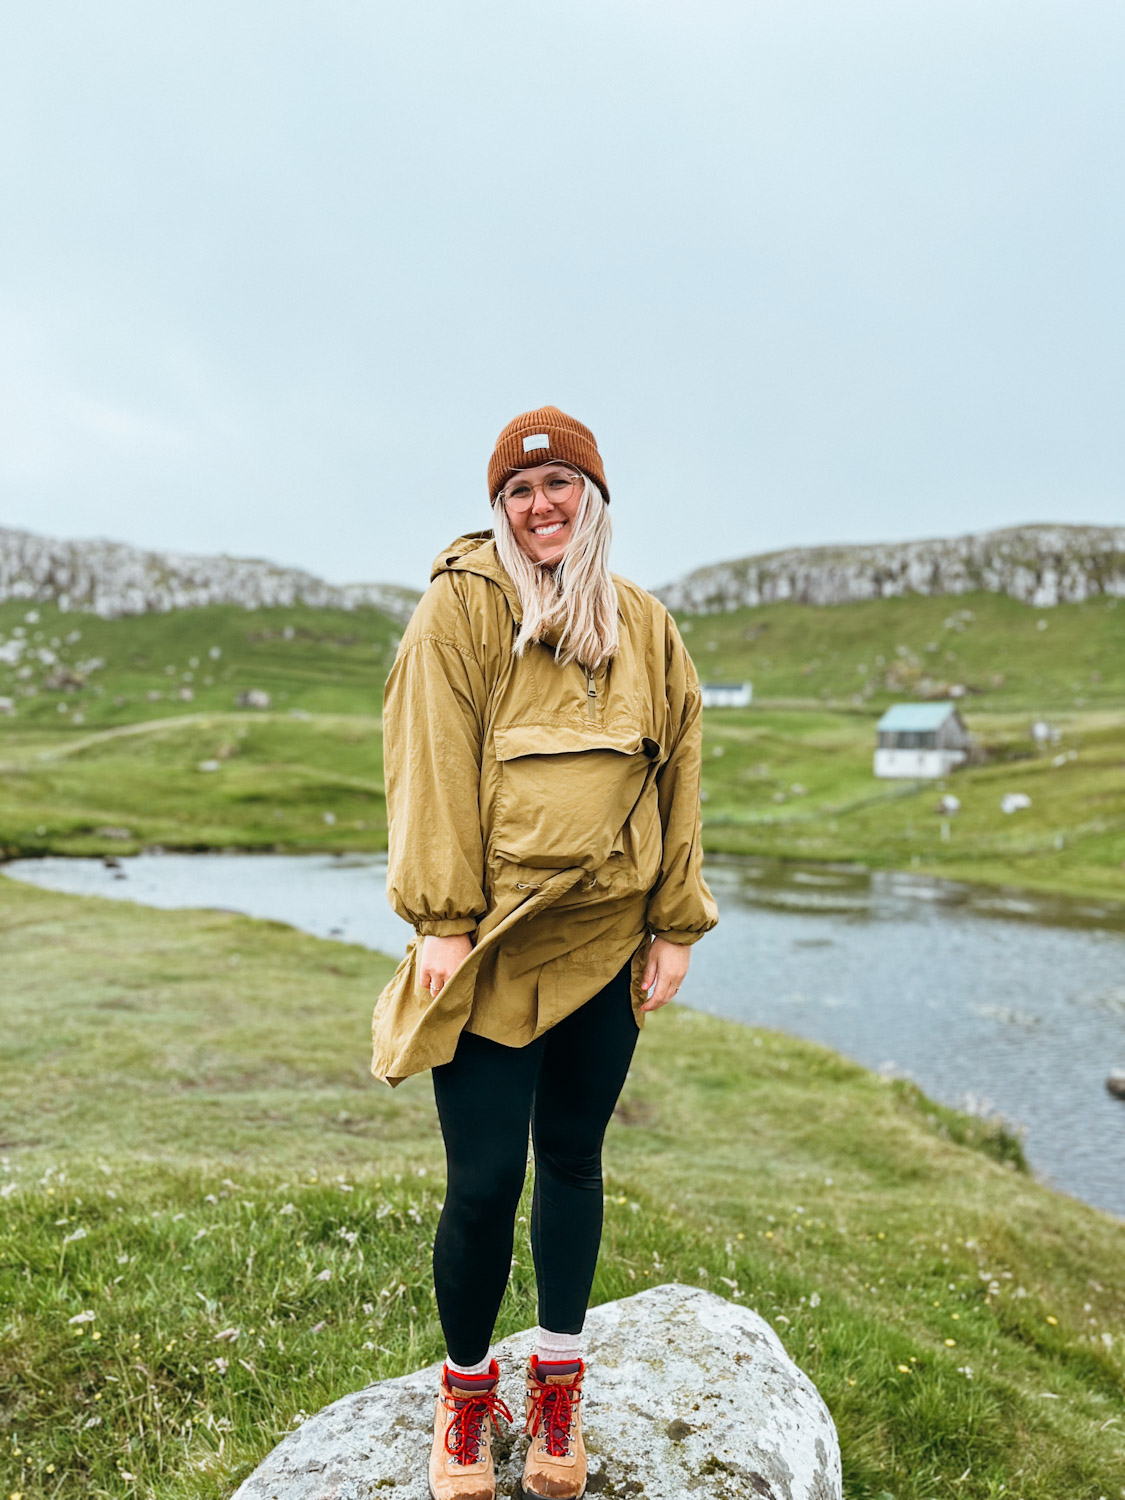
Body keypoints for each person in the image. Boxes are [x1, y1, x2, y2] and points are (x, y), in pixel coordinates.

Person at [370, 405, 717, 1500]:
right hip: (494, 943)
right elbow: (428, 762)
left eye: (560, 485)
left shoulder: (645, 625)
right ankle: (468, 1398)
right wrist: (442, 920)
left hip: (611, 940)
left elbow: (680, 773)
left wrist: (675, 922)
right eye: (519, 492)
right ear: (500, 510)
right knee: (482, 1184)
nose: (540, 507)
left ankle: (559, 1379)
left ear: (594, 498)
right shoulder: (460, 610)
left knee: (573, 1157)